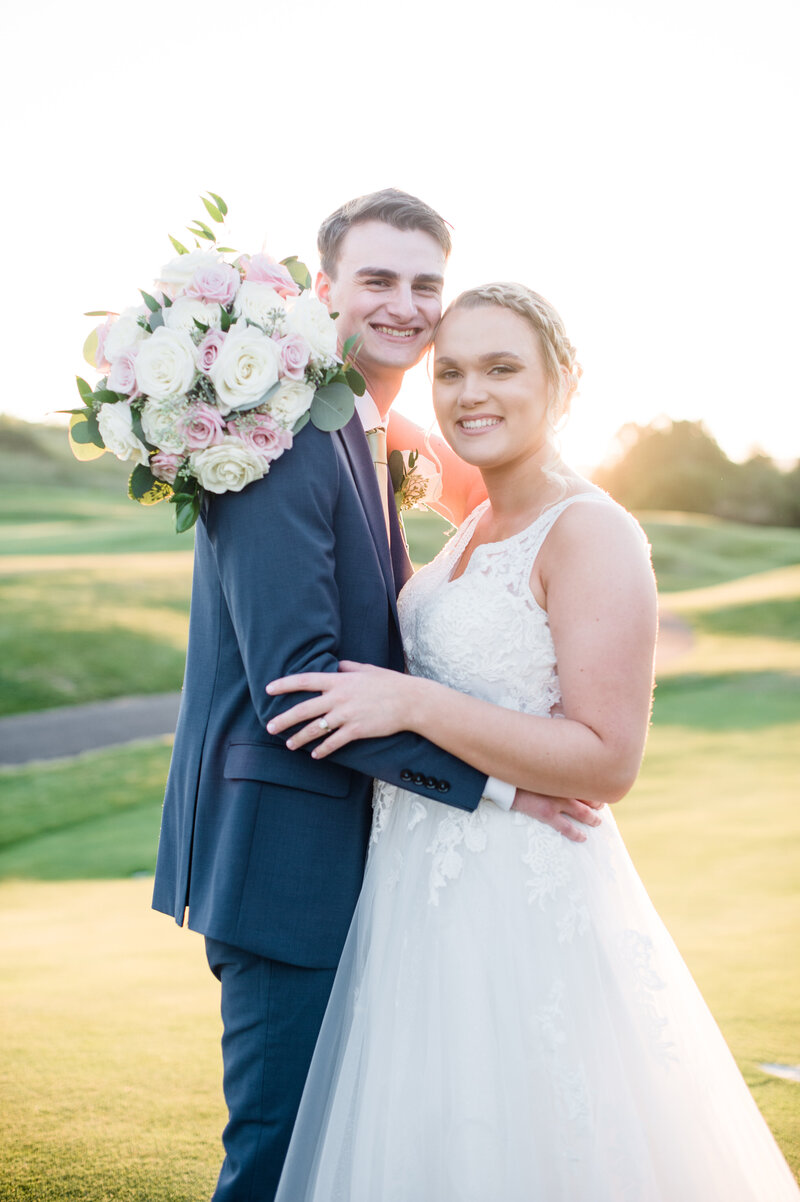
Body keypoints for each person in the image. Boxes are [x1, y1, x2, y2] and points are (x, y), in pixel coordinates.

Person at [268, 283, 800, 1201]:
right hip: (414, 892)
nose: (472, 392)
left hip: (525, 892)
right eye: (454, 371)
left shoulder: (592, 530)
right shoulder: (473, 522)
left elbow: (606, 759)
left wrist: (414, 705)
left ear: (564, 383)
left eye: (503, 368)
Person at [151, 194, 600, 1202]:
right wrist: (498, 784)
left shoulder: (359, 432)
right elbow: (299, 689)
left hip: (362, 864)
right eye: (377, 280)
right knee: (275, 1165)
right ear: (321, 292)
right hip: (286, 868)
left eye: (423, 283)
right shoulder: (279, 439)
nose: (405, 304)